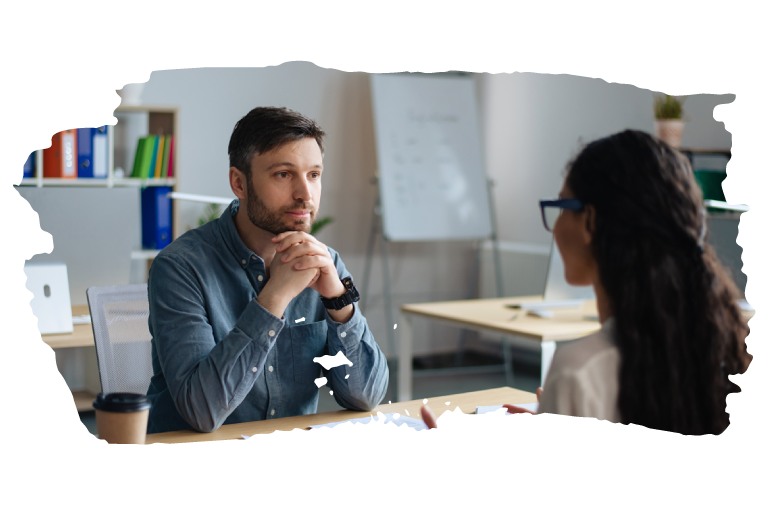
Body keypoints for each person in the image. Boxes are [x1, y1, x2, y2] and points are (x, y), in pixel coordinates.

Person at [422, 130, 750, 435]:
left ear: (590, 221)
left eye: (562, 206)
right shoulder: (728, 345)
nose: (555, 226)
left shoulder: (579, 372)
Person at [145, 107, 389, 434]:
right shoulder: (180, 267)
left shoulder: (323, 261)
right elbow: (201, 411)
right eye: (283, 174)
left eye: (314, 174)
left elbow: (366, 396)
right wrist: (276, 295)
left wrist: (338, 301)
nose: (305, 194)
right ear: (239, 183)